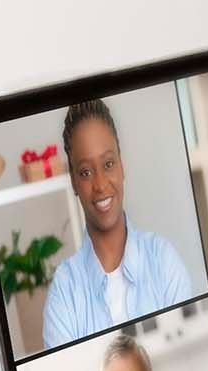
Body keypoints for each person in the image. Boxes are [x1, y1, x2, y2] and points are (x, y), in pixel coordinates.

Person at [40, 99, 199, 350]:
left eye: (108, 164)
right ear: (73, 182)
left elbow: (194, 356)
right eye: (85, 172)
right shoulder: (64, 292)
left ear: (122, 166)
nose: (101, 184)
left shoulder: (163, 260)